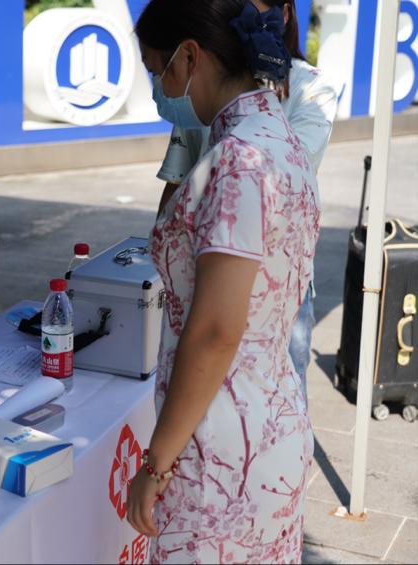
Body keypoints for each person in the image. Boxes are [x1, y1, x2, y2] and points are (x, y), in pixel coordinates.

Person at [126, 1, 319, 563]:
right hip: (270, 422)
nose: (159, 90)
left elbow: (215, 331)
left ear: (190, 57)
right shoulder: (279, 136)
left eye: (158, 70)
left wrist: (156, 463)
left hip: (220, 452)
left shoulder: (239, 160)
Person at [155, 0, 337, 404]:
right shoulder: (200, 86)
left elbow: (277, 177)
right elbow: (175, 181)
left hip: (272, 274)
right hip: (197, 270)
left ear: (284, 14)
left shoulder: (309, 90)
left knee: (271, 388)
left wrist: (164, 449)